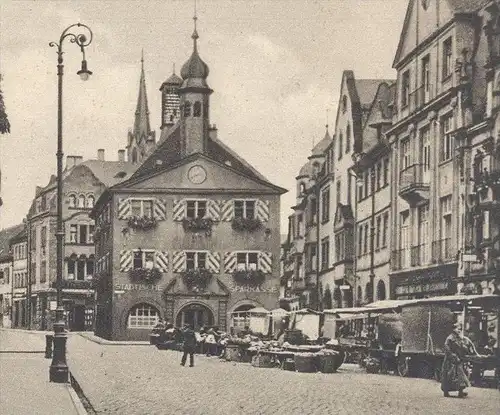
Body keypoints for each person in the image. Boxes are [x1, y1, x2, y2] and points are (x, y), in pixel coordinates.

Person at [441, 322, 471, 398]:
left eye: (460, 329)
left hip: (458, 360)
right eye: (458, 329)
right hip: (450, 361)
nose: (459, 330)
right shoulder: (450, 338)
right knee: (449, 376)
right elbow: (447, 349)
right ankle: (446, 392)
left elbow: (464, 348)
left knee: (460, 377)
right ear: (454, 329)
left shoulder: (459, 338)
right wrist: (453, 356)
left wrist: (463, 343)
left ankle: (460, 392)